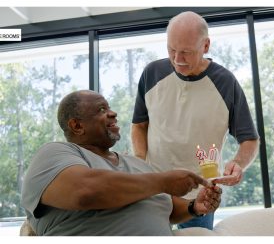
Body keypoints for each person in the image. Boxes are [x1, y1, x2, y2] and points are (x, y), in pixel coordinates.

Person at [21, 90, 222, 236]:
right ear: (77, 125)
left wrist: (194, 206)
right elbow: (85, 191)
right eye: (101, 109)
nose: (113, 113)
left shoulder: (137, 165)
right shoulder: (55, 153)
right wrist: (162, 182)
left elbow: (166, 207)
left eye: (109, 107)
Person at [131, 11, 259, 230]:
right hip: (155, 191)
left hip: (200, 195)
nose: (178, 60)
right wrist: (141, 165)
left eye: (186, 52)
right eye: (172, 50)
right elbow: (139, 126)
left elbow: (249, 139)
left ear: (206, 46)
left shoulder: (225, 82)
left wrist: (238, 164)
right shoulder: (152, 73)